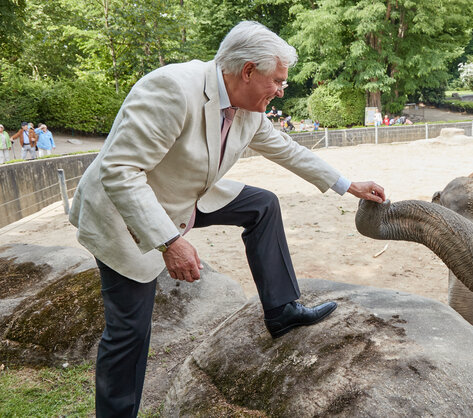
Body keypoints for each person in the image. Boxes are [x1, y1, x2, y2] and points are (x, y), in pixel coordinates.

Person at [68, 21, 386, 417]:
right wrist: (171, 241)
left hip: (184, 195)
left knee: (262, 205)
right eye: (278, 81)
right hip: (125, 211)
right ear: (248, 71)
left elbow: (286, 149)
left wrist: (347, 184)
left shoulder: (248, 106)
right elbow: (119, 172)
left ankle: (282, 310)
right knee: (128, 331)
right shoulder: (171, 88)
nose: (282, 90)